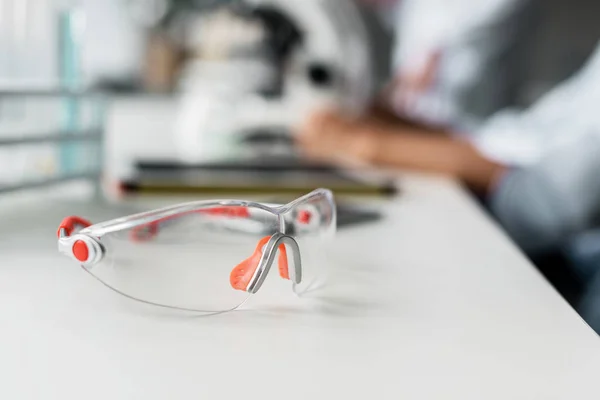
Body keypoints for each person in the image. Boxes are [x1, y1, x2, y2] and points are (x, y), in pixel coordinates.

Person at [297, 0, 600, 331]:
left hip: (570, 267)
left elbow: (547, 202)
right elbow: (520, 137)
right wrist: (384, 126)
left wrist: (366, 144)